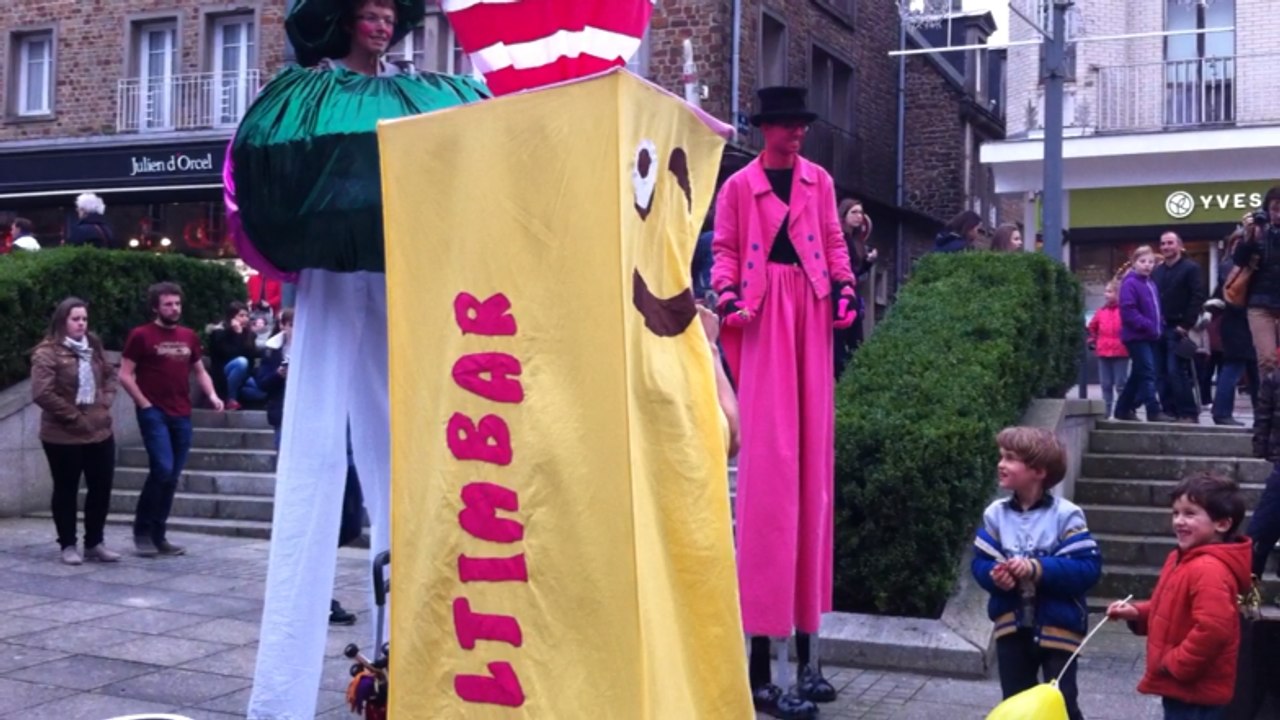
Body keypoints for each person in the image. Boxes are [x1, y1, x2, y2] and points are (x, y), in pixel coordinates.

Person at [229, 0, 487, 716]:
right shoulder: (310, 94)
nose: (379, 23)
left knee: (405, 444)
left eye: (386, 13)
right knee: (312, 455)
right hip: (333, 281)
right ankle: (280, 696)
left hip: (401, 273)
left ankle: (407, 663)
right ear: (344, 20)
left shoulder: (424, 92)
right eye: (366, 12)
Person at [711, 85, 857, 720]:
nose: (797, 132)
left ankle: (808, 659)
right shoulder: (739, 185)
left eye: (801, 124)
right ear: (766, 128)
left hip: (812, 310)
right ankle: (761, 669)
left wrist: (846, 286)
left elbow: (830, 238)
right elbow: (722, 248)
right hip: (765, 312)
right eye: (787, 124)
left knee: (812, 477)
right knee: (771, 474)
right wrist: (725, 295)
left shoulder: (819, 180)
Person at [972, 427, 1100, 720]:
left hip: (1059, 626)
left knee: (1060, 701)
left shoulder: (1066, 515)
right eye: (1001, 456)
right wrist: (994, 575)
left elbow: (1087, 569)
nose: (1001, 464)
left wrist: (1036, 568)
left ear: (1039, 471)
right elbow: (980, 562)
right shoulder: (995, 514)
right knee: (1016, 704)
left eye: (1011, 458)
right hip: (1011, 625)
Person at [1107, 473, 1250, 720]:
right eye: (1176, 513)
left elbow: (1214, 628)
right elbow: (1171, 608)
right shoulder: (1182, 559)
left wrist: (1176, 663)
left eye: (1190, 514)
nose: (1178, 521)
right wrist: (1137, 613)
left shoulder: (1208, 568)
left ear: (1222, 524)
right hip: (1184, 688)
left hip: (1196, 691)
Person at [119, 282, 224, 557]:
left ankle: (158, 534)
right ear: (156, 306)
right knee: (163, 469)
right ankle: (142, 532)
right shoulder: (141, 335)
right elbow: (125, 374)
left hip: (182, 413)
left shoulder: (189, 336)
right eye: (168, 304)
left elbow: (199, 371)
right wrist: (144, 404)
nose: (174, 308)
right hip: (154, 413)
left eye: (177, 304)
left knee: (171, 477)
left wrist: (212, 395)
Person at [30, 297, 121, 565]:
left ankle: (95, 542)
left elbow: (110, 375)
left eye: (84, 319)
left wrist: (105, 402)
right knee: (66, 488)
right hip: (63, 433)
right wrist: (73, 416)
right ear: (62, 321)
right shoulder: (47, 352)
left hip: (99, 428)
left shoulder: (93, 346)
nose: (81, 324)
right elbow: (42, 392)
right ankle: (67, 544)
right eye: (75, 319)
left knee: (101, 486)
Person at [1113, 246, 1174, 423]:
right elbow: (1128, 311)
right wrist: (1149, 325)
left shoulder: (1150, 283)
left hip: (1150, 335)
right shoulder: (1130, 283)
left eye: (1151, 262)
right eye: (1143, 262)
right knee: (1148, 372)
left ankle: (1123, 409)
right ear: (1134, 263)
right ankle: (1153, 410)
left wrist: (1158, 324)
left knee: (1139, 373)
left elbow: (1155, 308)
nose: (1147, 266)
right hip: (1137, 336)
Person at [1152, 231, 1206, 423]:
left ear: (1179, 245)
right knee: (1160, 373)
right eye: (1163, 243)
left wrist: (1186, 324)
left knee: (1176, 371)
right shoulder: (1157, 271)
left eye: (1170, 243)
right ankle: (1169, 411)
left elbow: (1198, 296)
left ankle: (1188, 413)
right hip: (1158, 329)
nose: (1166, 247)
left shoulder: (1191, 268)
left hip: (1178, 328)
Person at [1234, 186, 1280, 372]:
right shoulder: (1257, 231)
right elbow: (1238, 261)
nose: (1279, 214)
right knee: (1267, 359)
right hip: (1260, 302)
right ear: (1267, 210)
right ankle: (1268, 401)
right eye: (1275, 208)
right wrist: (1248, 237)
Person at [834, 197, 874, 378]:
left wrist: (867, 262)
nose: (859, 217)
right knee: (841, 339)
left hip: (852, 292)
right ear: (844, 214)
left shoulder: (855, 240)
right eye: (854, 212)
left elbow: (855, 271)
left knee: (855, 340)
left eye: (860, 212)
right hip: (839, 293)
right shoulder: (839, 239)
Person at [1249, 367, 1280, 581]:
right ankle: (1247, 590)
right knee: (1260, 531)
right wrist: (1262, 447)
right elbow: (1263, 415)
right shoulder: (1274, 378)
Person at [208, 301, 266, 410]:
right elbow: (229, 354)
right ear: (231, 317)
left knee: (261, 393)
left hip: (243, 377)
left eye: (246, 316)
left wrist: (241, 336)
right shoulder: (219, 334)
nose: (245, 319)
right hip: (223, 375)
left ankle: (238, 395)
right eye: (241, 316)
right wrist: (237, 335)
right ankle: (231, 399)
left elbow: (251, 358)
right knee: (241, 362)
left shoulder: (250, 335)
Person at [1087, 280, 1128, 419]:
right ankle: (1106, 412)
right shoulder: (1101, 312)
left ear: (1118, 294)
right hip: (1103, 351)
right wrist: (1093, 339)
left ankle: (1123, 411)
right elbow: (1092, 327)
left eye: (1109, 291)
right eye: (1106, 291)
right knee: (1105, 384)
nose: (1106, 294)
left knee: (1121, 384)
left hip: (1121, 351)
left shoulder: (1124, 311)